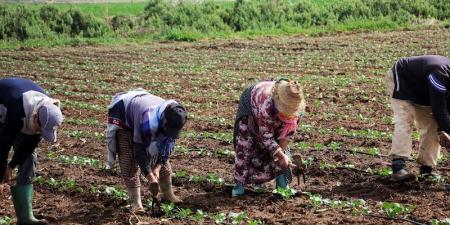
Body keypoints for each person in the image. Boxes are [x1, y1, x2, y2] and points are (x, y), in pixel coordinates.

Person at [106, 88, 187, 212]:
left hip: (142, 110)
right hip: (124, 115)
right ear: (164, 122)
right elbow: (139, 152)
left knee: (161, 160)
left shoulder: (175, 116)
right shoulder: (149, 121)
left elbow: (166, 149)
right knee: (129, 161)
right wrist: (151, 178)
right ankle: (136, 204)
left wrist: (157, 168)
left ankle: (167, 193)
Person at [0, 77, 64, 225]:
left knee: (29, 158)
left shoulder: (48, 112)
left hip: (20, 112)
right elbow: (3, 144)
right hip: (5, 109)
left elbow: (29, 145)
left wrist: (11, 166)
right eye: (40, 129)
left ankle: (25, 217)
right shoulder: (18, 112)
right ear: (36, 118)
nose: (40, 133)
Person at [232, 78, 306, 197]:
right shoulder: (267, 107)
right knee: (245, 145)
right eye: (285, 110)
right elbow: (266, 137)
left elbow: (286, 136)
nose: (288, 113)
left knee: (281, 152)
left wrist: (281, 155)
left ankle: (282, 186)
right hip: (251, 106)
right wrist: (280, 155)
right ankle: (238, 186)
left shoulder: (296, 111)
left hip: (270, 114)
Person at [385, 55, 450, 182]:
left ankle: (427, 169)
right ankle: (398, 167)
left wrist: (444, 130)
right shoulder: (440, 73)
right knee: (405, 120)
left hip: (424, 90)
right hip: (403, 80)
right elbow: (439, 108)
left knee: (432, 125)